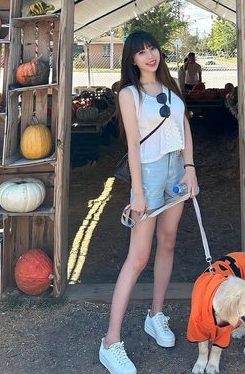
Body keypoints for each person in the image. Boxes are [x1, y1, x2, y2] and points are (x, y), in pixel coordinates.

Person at [99, 30, 199, 374]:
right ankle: (110, 341)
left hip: (176, 171)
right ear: (132, 59)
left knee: (168, 242)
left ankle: (156, 315)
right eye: (141, 52)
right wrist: (138, 192)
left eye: (152, 48)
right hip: (150, 173)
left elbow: (184, 128)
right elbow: (132, 144)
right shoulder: (129, 94)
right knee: (138, 258)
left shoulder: (171, 87)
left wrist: (190, 169)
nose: (149, 55)